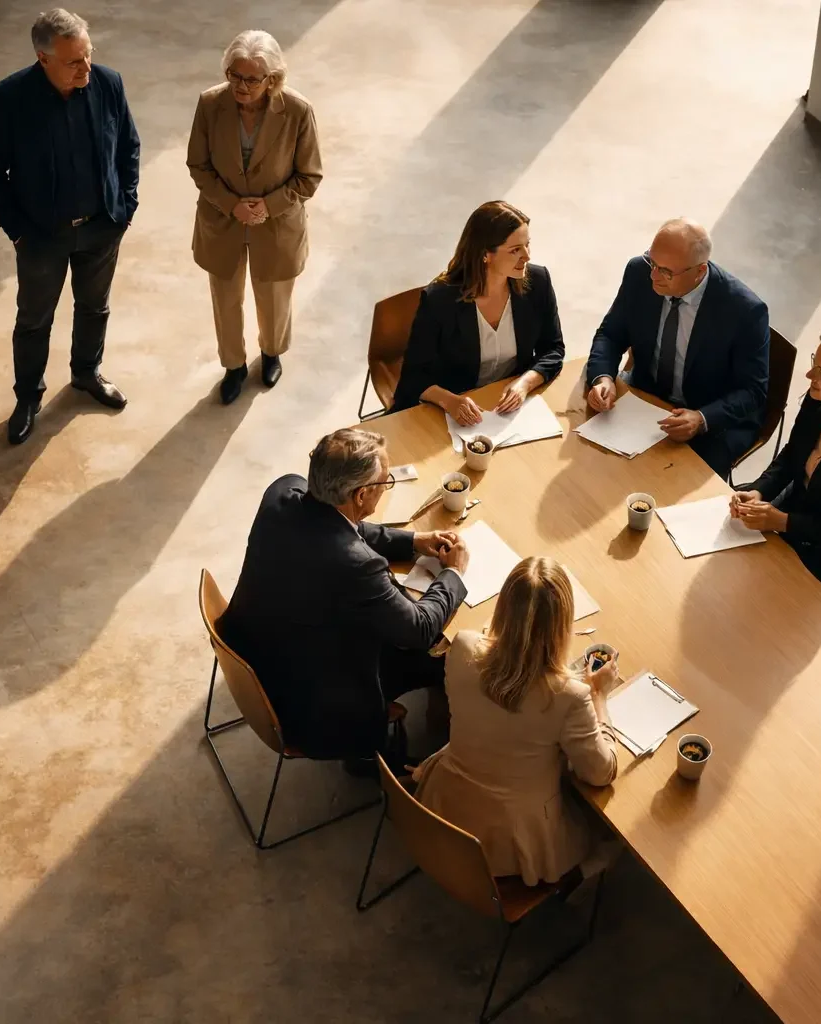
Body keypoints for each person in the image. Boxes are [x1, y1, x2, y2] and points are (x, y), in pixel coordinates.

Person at [216, 428, 468, 763]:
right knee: (446, 655)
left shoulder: (283, 492)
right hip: (310, 709)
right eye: (385, 481)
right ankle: (378, 760)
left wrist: (412, 541)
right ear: (362, 495)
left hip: (255, 655)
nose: (386, 488)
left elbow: (337, 524)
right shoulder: (359, 567)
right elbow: (419, 629)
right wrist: (454, 572)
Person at [0, 8, 139, 445]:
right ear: (43, 58)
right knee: (34, 320)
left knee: (94, 306)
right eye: (74, 61)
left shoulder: (108, 83)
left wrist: (125, 206)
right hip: (41, 236)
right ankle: (28, 397)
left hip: (102, 226)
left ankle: (86, 373)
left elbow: (128, 145)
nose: (86, 67)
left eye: (88, 55)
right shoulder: (9, 98)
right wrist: (17, 230)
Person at [413, 557, 618, 886]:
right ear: (563, 626)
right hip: (514, 841)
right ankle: (576, 884)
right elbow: (601, 772)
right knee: (611, 837)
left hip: (447, 804)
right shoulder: (570, 697)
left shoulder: (462, 646)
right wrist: (599, 697)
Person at [187, 30, 323, 405]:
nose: (241, 86)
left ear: (272, 79)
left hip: (277, 225)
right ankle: (233, 366)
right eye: (234, 75)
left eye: (251, 79)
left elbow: (309, 175)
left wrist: (269, 205)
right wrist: (231, 203)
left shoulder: (297, 111)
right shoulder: (210, 104)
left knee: (275, 299)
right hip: (221, 222)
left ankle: (271, 353)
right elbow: (198, 165)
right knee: (225, 300)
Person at [586, 218, 769, 478]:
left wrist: (702, 419)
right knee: (595, 468)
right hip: (645, 399)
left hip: (711, 419)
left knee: (675, 487)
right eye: (652, 262)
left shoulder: (745, 310)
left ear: (700, 271)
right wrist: (603, 377)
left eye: (665, 271)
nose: (653, 275)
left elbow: (752, 391)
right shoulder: (639, 272)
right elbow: (611, 334)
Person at [392, 201, 564, 423]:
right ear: (486, 255)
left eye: (527, 245)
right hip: (454, 409)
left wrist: (524, 383)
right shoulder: (440, 299)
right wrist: (450, 401)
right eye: (515, 250)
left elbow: (553, 349)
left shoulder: (538, 282)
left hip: (508, 409)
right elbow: (413, 376)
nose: (527, 256)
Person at [731, 331, 821, 591]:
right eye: (813, 364)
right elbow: (791, 456)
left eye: (820, 372)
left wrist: (783, 522)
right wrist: (758, 491)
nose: (809, 375)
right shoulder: (818, 402)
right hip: (793, 508)